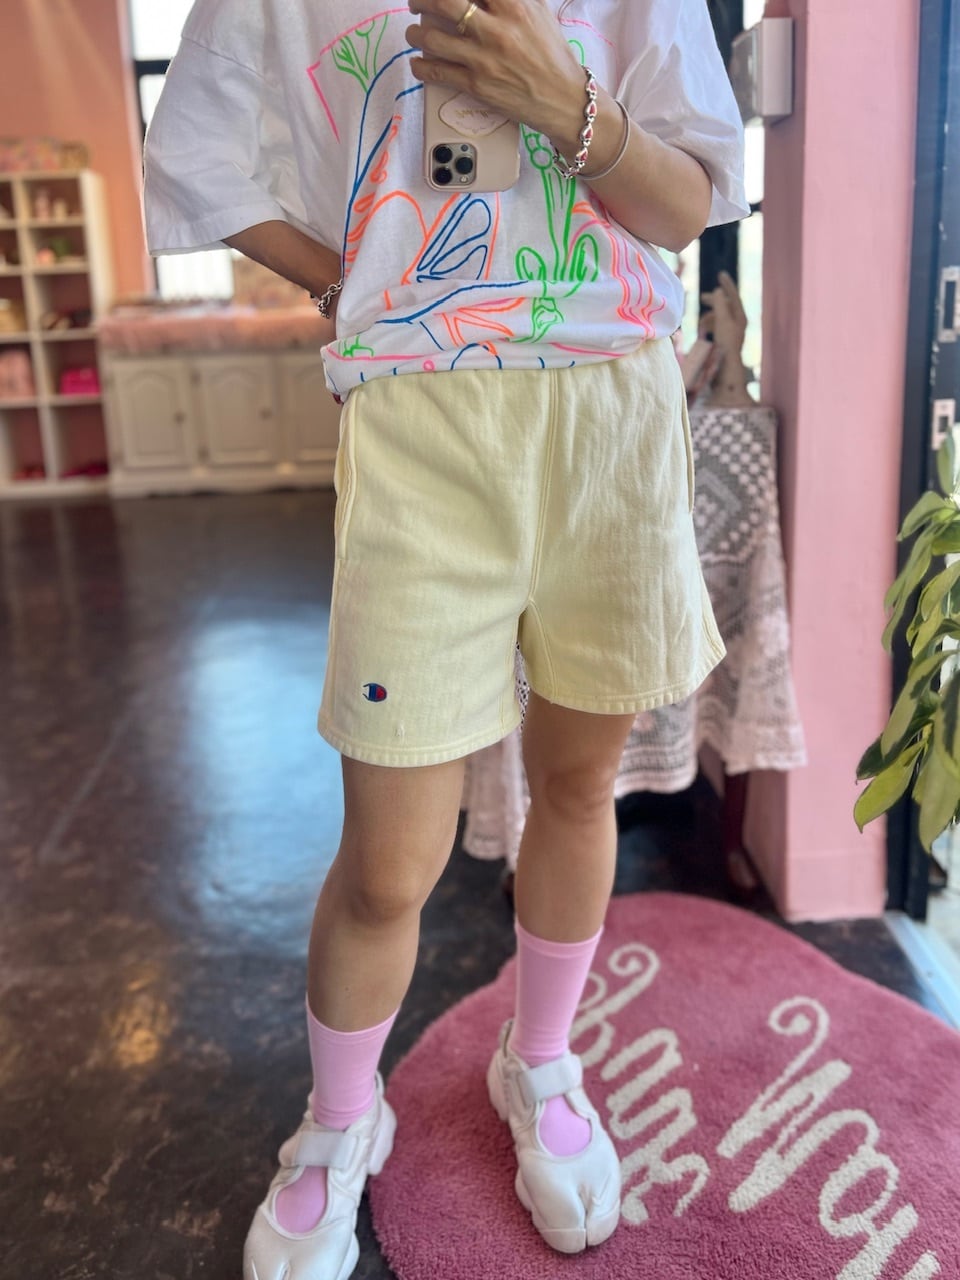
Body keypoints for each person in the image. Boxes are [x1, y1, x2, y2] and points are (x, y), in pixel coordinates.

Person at [143, 1, 749, 1276]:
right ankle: (339, 1120)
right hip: (420, 424)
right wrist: (348, 275)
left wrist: (563, 105)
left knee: (577, 786)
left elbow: (690, 200)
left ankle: (542, 1060)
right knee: (386, 859)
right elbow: (194, 151)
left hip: (611, 418)